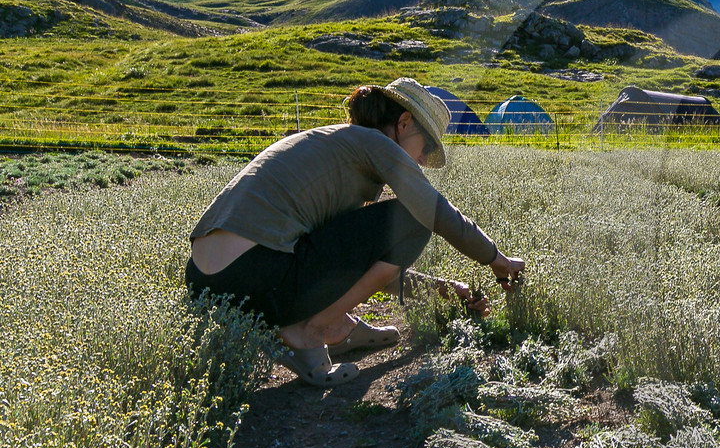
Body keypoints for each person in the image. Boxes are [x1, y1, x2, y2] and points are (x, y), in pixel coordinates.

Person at [187, 77, 526, 386]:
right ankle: (311, 331)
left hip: (208, 287)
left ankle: (338, 327)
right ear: (403, 123)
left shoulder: (338, 145)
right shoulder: (371, 144)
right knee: (415, 219)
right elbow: (437, 213)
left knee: (401, 224)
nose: (422, 161)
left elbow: (356, 259)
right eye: (425, 148)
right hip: (257, 272)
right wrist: (496, 259)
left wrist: (443, 290)